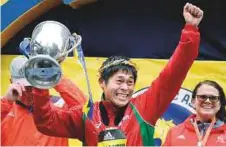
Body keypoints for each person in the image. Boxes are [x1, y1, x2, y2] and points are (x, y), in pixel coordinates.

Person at [31, 3, 203, 146]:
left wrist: (191, 29)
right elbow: (46, 121)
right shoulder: (85, 114)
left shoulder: (145, 107)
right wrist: (41, 81)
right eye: (119, 81)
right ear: (102, 83)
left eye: (130, 82)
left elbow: (174, 73)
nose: (125, 88)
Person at [1, 56, 86, 146]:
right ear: (11, 81)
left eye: (33, 85)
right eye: (24, 87)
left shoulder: (59, 104)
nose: (29, 91)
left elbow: (87, 115)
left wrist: (55, 77)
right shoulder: (4, 107)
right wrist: (6, 102)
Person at [163, 80, 226, 146]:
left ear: (220, 104)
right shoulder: (174, 133)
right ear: (193, 102)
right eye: (202, 97)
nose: (208, 101)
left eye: (213, 98)